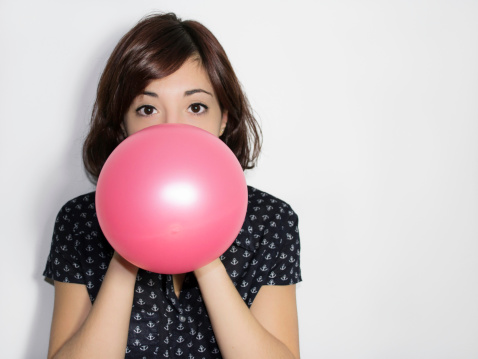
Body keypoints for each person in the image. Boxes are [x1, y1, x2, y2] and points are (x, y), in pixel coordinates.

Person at [44, 12, 302, 359]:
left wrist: (205, 245)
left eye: (195, 107)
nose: (172, 129)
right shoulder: (80, 221)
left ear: (223, 118)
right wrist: (128, 235)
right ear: (122, 126)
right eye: (148, 109)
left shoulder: (269, 220)